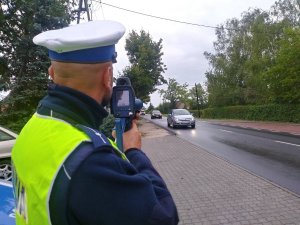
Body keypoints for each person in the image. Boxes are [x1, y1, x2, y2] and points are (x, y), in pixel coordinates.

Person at [11, 20, 179, 225]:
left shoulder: (30, 130)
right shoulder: (92, 161)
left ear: (52, 73)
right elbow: (164, 216)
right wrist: (133, 151)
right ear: (108, 77)